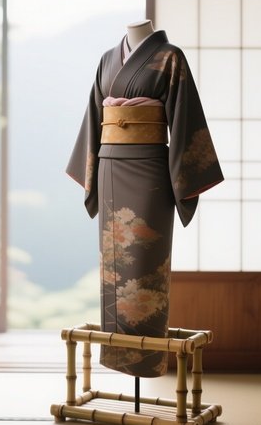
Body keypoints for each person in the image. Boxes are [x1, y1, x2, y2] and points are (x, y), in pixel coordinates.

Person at [66, 20, 223, 377]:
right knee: (114, 264)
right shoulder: (108, 59)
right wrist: (90, 170)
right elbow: (95, 116)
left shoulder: (170, 57)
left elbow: (185, 120)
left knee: (144, 262)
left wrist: (182, 179)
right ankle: (117, 354)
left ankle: (146, 359)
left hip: (150, 171)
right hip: (109, 167)